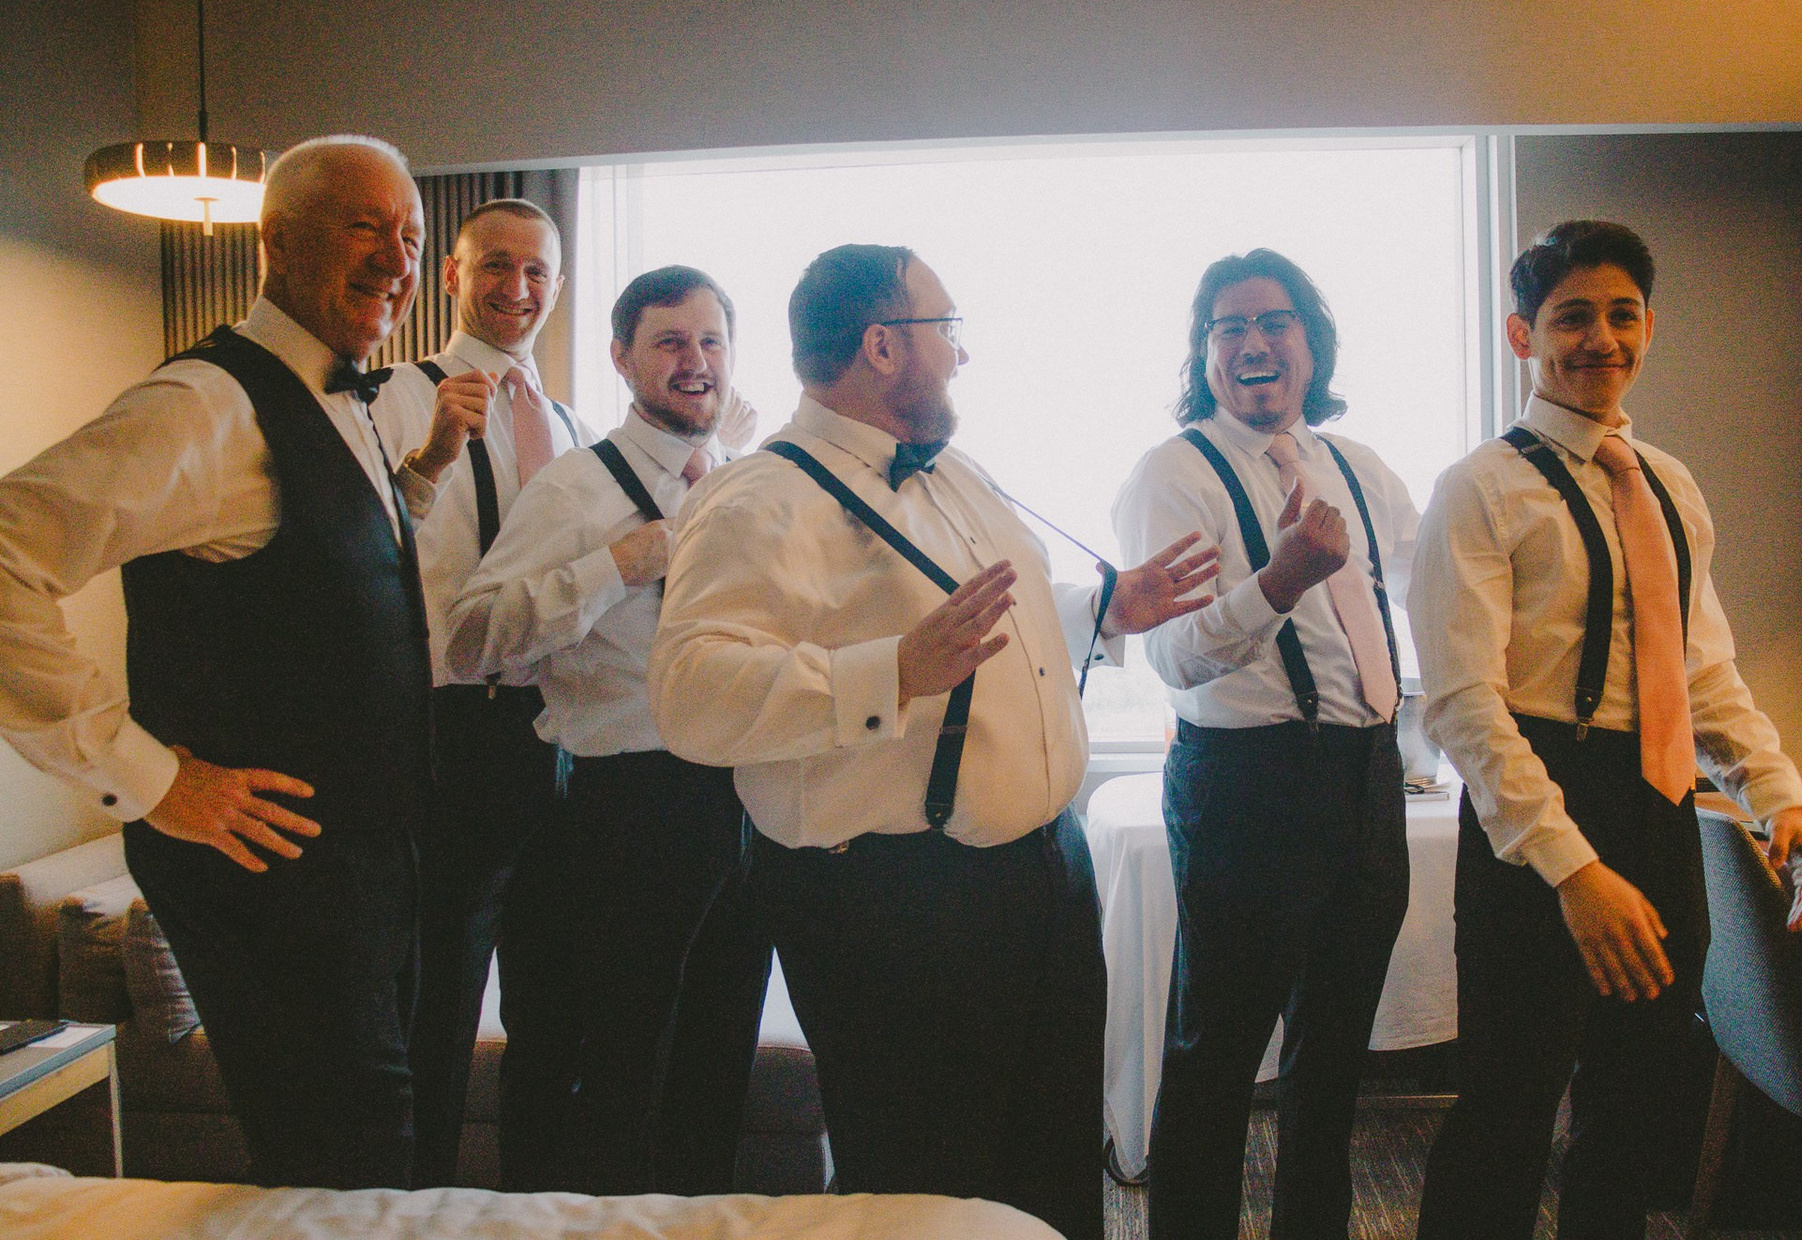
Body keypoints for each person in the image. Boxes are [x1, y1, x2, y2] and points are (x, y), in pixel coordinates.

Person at [649, 243, 1223, 1240]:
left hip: (1045, 873)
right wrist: (890, 673)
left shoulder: (960, 471)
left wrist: (1105, 610)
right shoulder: (752, 501)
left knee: (1051, 1161)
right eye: (947, 329)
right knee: (924, 1189)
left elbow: (997, 619)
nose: (962, 353)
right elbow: (689, 694)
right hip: (893, 900)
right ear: (882, 345)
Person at [0, 135, 450, 1188]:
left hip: (368, 872)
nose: (396, 259)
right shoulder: (202, 404)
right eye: (364, 227)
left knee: (375, 1159)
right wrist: (153, 778)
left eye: (411, 235)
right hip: (271, 884)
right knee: (343, 1172)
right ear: (277, 241)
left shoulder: (353, 404)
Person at [1410, 219, 1802, 1240]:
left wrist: (1777, 796)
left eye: (1622, 314)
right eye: (1572, 318)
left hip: (1661, 803)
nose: (1601, 337)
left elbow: (1703, 671)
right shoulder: (1479, 488)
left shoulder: (1670, 483)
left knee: (1636, 1107)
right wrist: (1574, 870)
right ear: (1523, 334)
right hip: (1538, 812)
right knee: (1507, 1108)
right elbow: (1463, 705)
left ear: (1649, 327)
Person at [1112, 248, 1419, 1240]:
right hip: (1248, 787)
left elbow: (1433, 586)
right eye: (1229, 326)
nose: (1254, 341)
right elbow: (1172, 658)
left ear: (1310, 345)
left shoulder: (1357, 467)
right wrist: (1279, 580)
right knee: (1217, 1056)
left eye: (1275, 321)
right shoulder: (1174, 473)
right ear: (1204, 353)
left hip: (1369, 776)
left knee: (1333, 1059)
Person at [446, 265, 769, 1196]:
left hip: (746, 806)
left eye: (711, 341)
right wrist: (612, 568)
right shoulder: (575, 491)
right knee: (622, 1071)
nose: (696, 361)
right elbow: (470, 639)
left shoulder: (744, 488)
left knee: (717, 1064)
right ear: (622, 358)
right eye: (670, 342)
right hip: (630, 810)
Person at [366, 198, 595, 1188]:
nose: (517, 287)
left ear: (558, 285)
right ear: (452, 275)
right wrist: (426, 464)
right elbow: (355, 559)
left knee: (555, 1004)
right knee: (440, 1000)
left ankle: (531, 1202)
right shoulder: (392, 399)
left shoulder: (574, 427)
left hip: (562, 736)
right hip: (452, 731)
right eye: (495, 265)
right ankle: (413, 1203)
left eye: (537, 270)